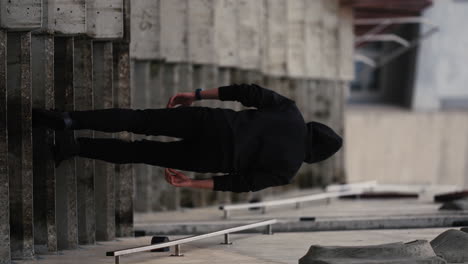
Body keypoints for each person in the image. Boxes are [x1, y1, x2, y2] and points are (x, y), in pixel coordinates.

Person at [33, 83, 342, 193]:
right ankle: (74, 146)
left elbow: (247, 92)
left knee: (141, 120)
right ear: (314, 156)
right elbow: (240, 183)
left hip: (213, 123)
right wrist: (191, 183)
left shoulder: (290, 113)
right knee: (139, 152)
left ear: (315, 129)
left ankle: (69, 120)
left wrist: (196, 94)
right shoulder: (287, 171)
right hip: (210, 158)